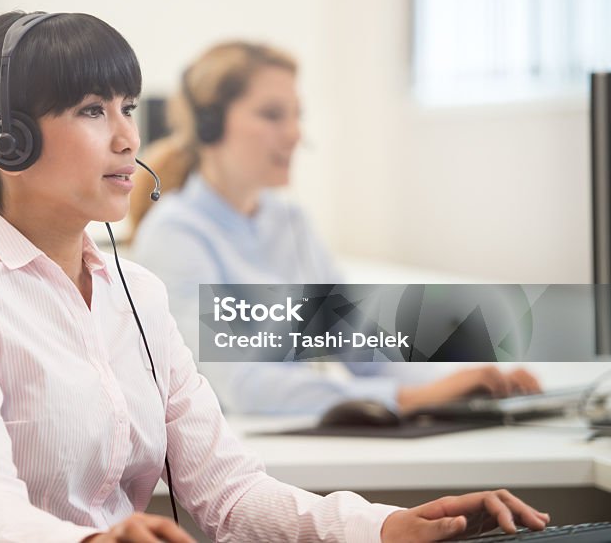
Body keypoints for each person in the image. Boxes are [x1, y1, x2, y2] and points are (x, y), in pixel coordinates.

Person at [0, 11, 548, 543]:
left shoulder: (136, 294)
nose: (126, 139)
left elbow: (228, 493)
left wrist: (382, 526)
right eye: (92, 110)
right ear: (9, 142)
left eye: (128, 108)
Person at [129, 41, 539, 416]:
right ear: (209, 124)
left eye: (296, 115)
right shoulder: (175, 236)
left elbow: (358, 347)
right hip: (233, 455)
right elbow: (240, 385)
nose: (294, 135)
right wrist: (405, 400)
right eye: (272, 115)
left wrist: (467, 383)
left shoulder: (291, 224)